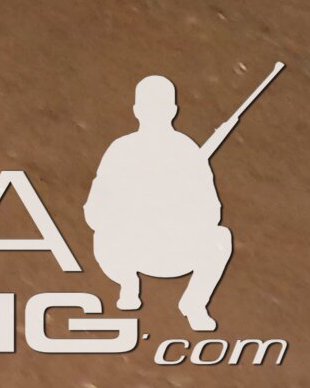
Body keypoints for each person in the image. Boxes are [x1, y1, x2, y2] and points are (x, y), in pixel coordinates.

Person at [86, 73, 240, 333]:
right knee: (103, 235)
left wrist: (175, 210)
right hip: (127, 249)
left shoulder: (187, 152)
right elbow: (94, 212)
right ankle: (127, 283)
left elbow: (212, 212)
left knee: (220, 237)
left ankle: (194, 303)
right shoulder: (121, 150)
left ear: (172, 111)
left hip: (172, 249)